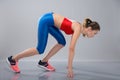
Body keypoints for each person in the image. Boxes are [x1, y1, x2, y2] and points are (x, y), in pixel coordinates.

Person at [6, 12, 100, 78]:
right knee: (40, 49)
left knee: (62, 42)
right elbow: (71, 49)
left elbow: (71, 47)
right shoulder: (78, 28)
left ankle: (44, 62)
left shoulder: (79, 28)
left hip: (50, 21)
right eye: (95, 33)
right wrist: (70, 68)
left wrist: (69, 65)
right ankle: (13, 59)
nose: (94, 35)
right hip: (46, 20)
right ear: (89, 29)